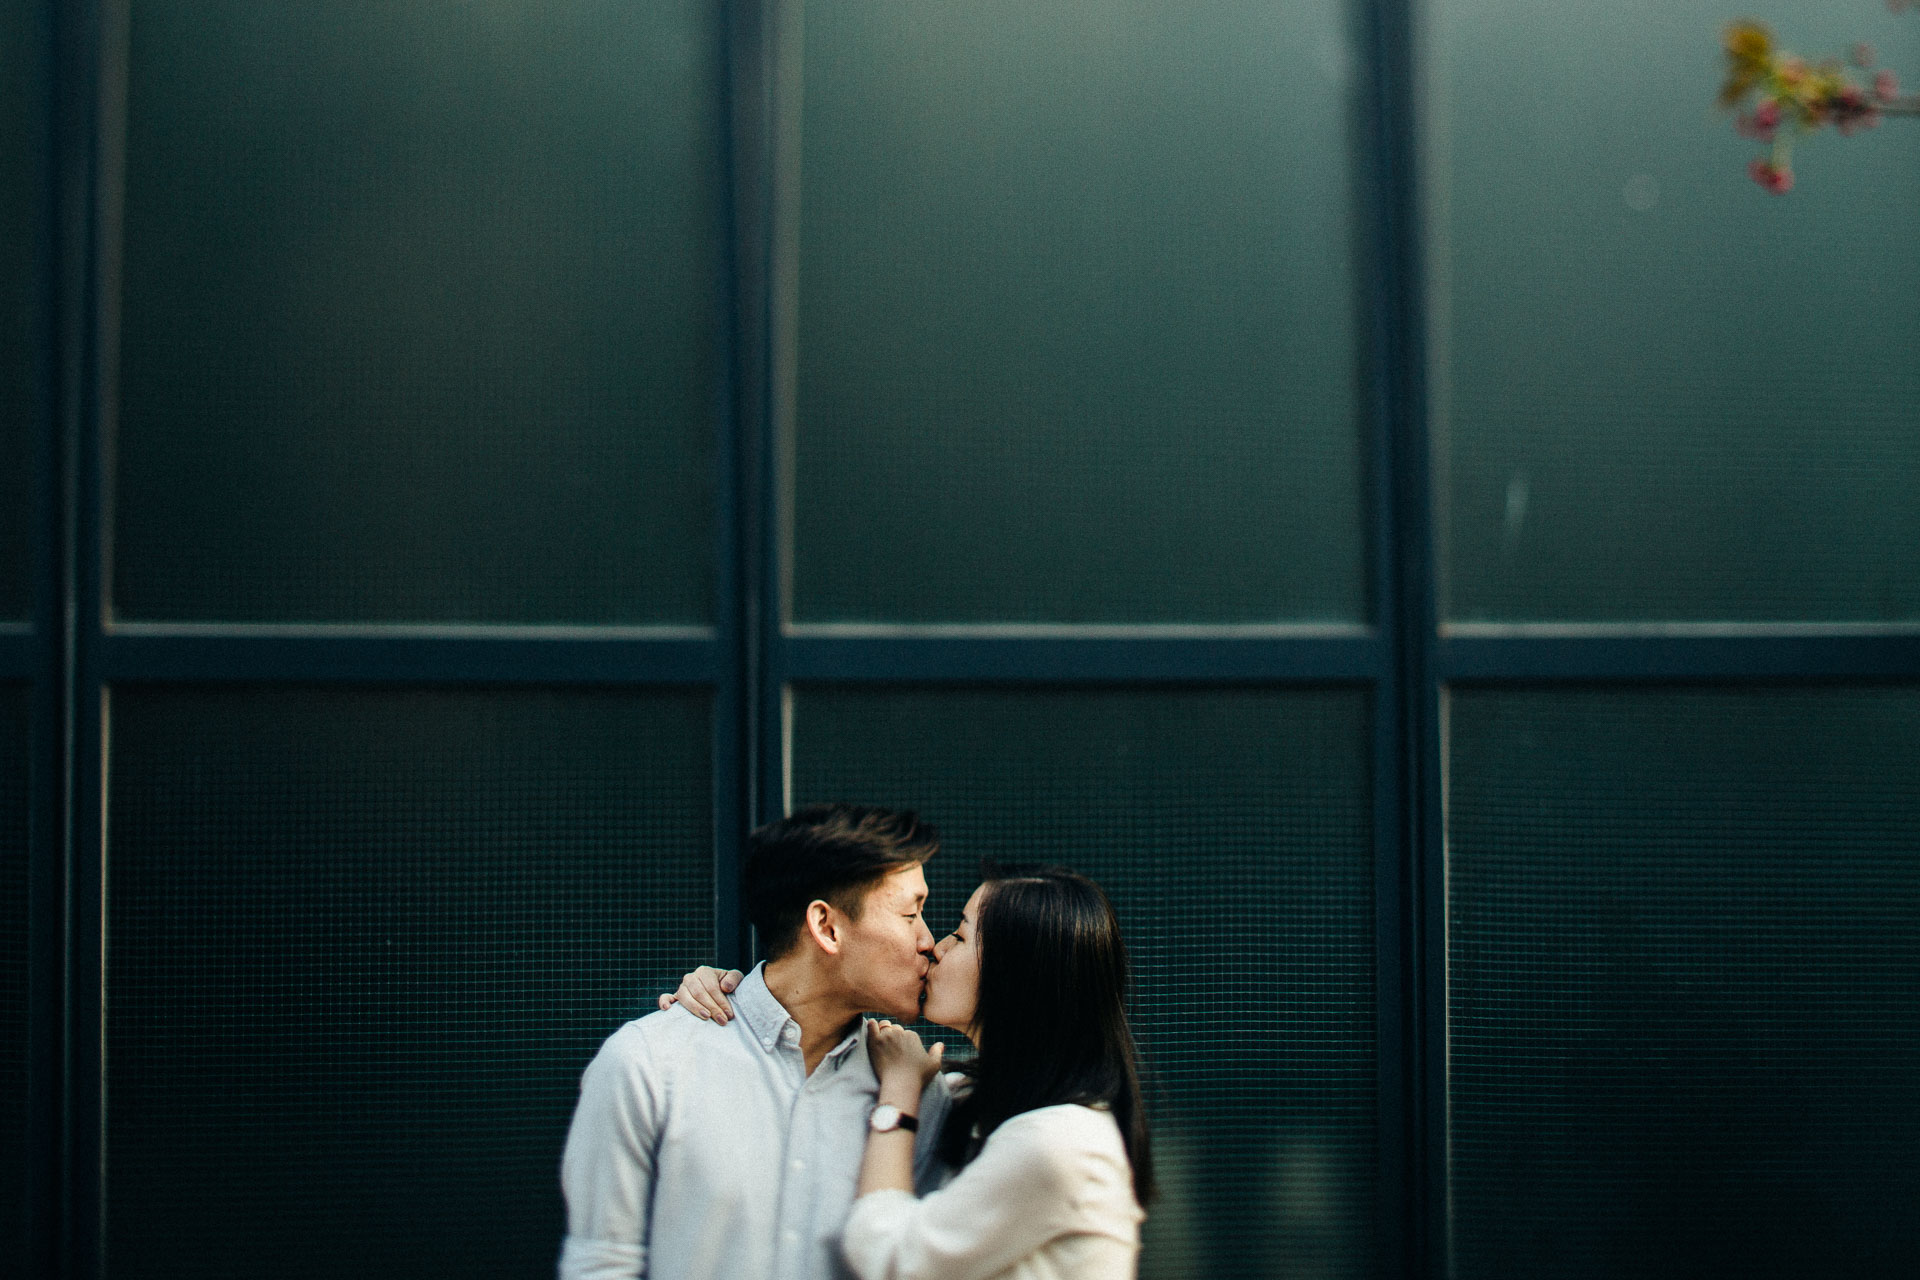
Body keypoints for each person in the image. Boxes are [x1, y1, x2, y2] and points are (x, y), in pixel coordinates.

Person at [670, 864, 1152, 1280]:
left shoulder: (1057, 1143)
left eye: (960, 936)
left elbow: (887, 1256)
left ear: (1015, 978)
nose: (935, 946)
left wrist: (899, 1092)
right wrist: (732, 998)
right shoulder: (986, 1102)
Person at [558, 804, 953, 1280]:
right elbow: (601, 1266)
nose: (929, 940)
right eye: (911, 913)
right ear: (826, 927)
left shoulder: (915, 1093)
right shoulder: (648, 1063)